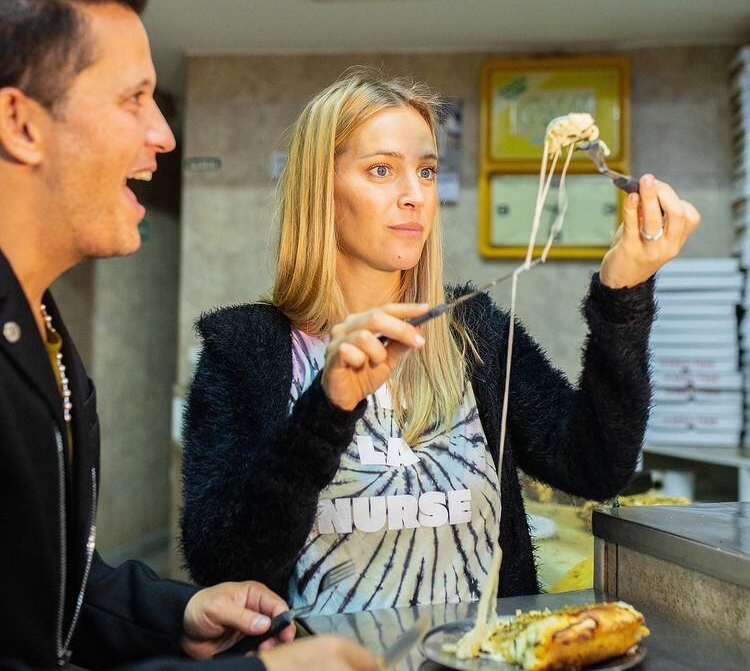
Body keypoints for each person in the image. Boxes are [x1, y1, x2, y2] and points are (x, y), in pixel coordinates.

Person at [0, 0, 390, 671]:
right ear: (22, 124)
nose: (163, 136)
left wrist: (175, 615)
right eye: (135, 99)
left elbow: (42, 587)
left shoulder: (40, 324)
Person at [181, 71, 701, 614]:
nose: (415, 196)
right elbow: (225, 566)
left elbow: (595, 465)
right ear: (320, 190)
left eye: (426, 172)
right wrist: (327, 410)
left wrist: (625, 292)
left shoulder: (475, 332)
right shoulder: (244, 353)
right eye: (381, 170)